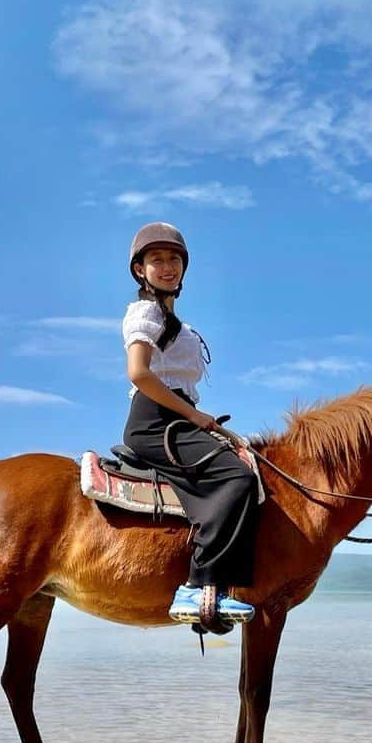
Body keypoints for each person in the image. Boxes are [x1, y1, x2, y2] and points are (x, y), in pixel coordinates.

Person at [120, 221, 258, 628]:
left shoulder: (176, 322)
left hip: (175, 417)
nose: (167, 267)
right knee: (237, 479)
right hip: (154, 421)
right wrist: (194, 416)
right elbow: (139, 374)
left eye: (174, 259)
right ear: (139, 270)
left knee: (245, 464)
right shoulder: (145, 312)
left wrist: (199, 418)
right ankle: (198, 588)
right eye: (156, 259)